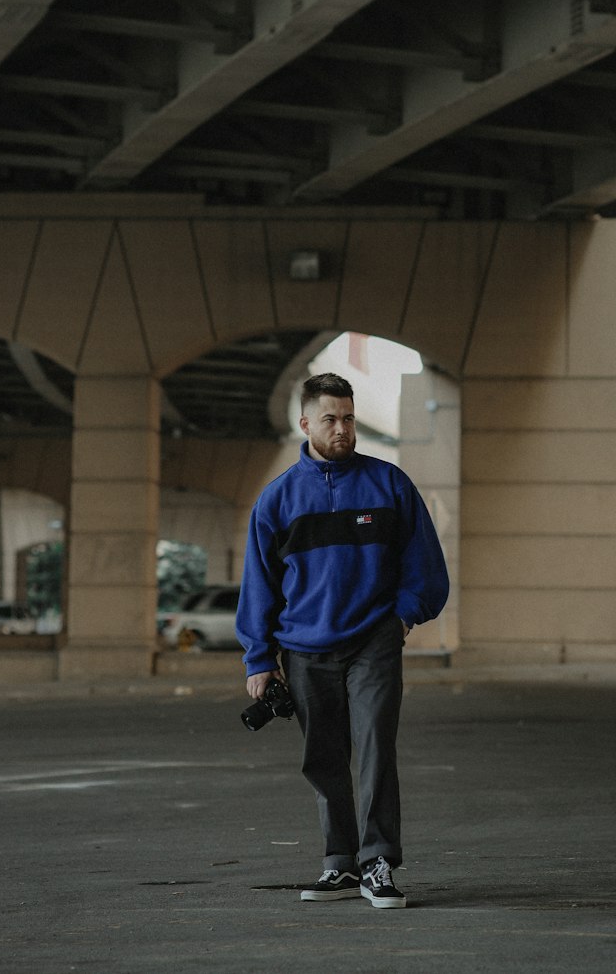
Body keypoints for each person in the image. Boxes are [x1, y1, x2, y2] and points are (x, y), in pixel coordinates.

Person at [236, 371, 449, 909]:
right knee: (323, 756)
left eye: (348, 418)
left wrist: (402, 618)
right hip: (304, 650)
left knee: (376, 747)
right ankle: (340, 865)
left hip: (373, 641)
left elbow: (426, 566)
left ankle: (378, 864)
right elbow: (259, 585)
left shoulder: (390, 484)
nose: (342, 429)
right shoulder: (277, 500)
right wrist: (259, 659)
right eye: (330, 419)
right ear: (306, 422)